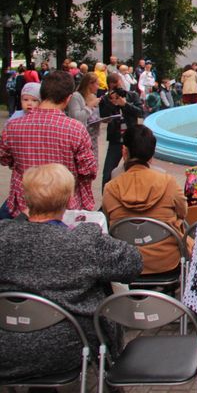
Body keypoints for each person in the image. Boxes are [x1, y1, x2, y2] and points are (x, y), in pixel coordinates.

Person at [0, 163, 142, 382]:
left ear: (26, 199)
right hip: (67, 346)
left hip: (6, 347)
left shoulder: (4, 236)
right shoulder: (84, 241)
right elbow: (133, 264)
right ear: (68, 200)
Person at [0, 71, 97, 218]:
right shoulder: (76, 129)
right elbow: (88, 170)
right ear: (68, 99)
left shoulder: (13, 126)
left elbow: (4, 157)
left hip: (26, 205)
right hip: (63, 207)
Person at [102, 125, 189, 276]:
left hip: (124, 262)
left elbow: (109, 220)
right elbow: (183, 212)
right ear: (152, 153)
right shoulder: (168, 182)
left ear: (124, 151)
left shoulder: (110, 188)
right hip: (165, 261)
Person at [99, 72, 144, 187]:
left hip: (132, 139)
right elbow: (104, 116)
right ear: (109, 86)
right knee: (108, 173)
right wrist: (111, 103)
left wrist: (125, 104)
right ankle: (106, 201)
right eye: (114, 86)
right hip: (116, 139)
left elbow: (140, 112)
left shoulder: (132, 96)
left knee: (135, 171)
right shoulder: (105, 99)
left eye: (119, 84)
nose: (119, 88)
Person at [66, 72, 101, 161]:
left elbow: (94, 115)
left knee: (94, 162)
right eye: (97, 84)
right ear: (90, 84)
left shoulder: (92, 96)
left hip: (93, 136)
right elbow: (76, 116)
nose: (98, 87)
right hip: (81, 136)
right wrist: (90, 106)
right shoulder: (76, 96)